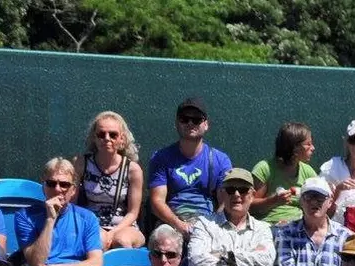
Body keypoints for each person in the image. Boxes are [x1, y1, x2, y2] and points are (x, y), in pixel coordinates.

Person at [14, 158, 117, 266]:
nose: (57, 189)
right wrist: (50, 219)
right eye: (51, 183)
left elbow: (96, 265)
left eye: (64, 184)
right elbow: (36, 262)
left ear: (73, 190)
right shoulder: (25, 216)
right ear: (43, 187)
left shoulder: (87, 218)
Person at [147, 97, 233, 236]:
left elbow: (225, 202)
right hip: (171, 223)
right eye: (185, 119)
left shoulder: (221, 160)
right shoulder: (160, 158)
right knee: (163, 242)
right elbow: (157, 202)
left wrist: (212, 226)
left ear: (206, 124)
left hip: (208, 223)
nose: (190, 123)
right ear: (176, 123)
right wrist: (179, 225)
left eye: (197, 119)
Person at [72, 111, 145, 249]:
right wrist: (93, 228)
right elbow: (72, 204)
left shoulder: (133, 170)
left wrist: (112, 233)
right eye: (101, 134)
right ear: (94, 138)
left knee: (122, 241)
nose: (107, 138)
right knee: (97, 241)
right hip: (91, 223)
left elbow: (133, 213)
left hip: (125, 226)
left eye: (113, 135)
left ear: (122, 139)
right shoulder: (81, 164)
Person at [250, 122, 318, 225]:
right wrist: (274, 200)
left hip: (300, 227)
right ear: (294, 148)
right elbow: (250, 207)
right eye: (308, 144)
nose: (313, 148)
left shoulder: (308, 172)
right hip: (268, 226)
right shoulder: (264, 168)